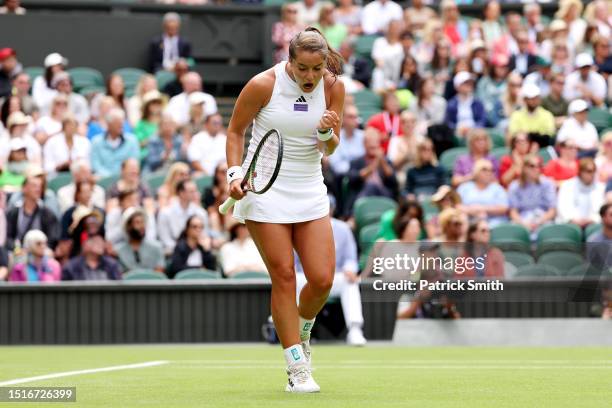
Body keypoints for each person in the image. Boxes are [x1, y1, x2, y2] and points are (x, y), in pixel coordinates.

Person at [226, 28, 344, 392]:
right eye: (304, 68)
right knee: (284, 276)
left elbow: (329, 151)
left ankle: (301, 326)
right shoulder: (263, 85)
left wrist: (326, 133)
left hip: (309, 190)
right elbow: (235, 132)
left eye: (317, 68)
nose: (311, 77)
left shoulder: (333, 87)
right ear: (289, 62)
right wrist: (234, 173)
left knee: (322, 280)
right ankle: (296, 368)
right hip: (265, 191)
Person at [295, 196, 366, 345]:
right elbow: (292, 260)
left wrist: (349, 270)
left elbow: (350, 259)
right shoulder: (300, 227)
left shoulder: (343, 229)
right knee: (293, 280)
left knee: (350, 282)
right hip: (304, 278)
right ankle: (295, 331)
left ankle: (355, 330)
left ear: (332, 209)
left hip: (335, 277)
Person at [508, 155, 557, 234]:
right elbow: (513, 212)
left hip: (544, 219)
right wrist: (524, 224)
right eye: (532, 166)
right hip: (522, 220)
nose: (536, 169)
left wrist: (539, 222)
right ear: (524, 168)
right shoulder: (514, 186)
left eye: (539, 166)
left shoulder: (547, 183)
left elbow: (552, 210)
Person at [158, 179, 208, 255]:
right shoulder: (165, 213)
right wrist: (181, 250)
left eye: (195, 191)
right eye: (192, 191)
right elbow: (165, 239)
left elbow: (204, 235)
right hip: (173, 252)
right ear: (181, 193)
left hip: (197, 251)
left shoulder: (201, 213)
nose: (196, 194)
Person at [457, 159, 509, 227]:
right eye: (484, 170)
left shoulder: (497, 188)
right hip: (469, 222)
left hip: (493, 223)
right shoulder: (464, 187)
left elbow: (503, 208)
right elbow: (456, 205)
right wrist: (471, 211)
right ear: (476, 172)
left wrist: (482, 209)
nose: (488, 173)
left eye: (491, 170)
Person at [90, 109, 140, 177]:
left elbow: (134, 161)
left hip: (126, 177)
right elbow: (95, 164)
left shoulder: (132, 140)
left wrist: (122, 174)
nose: (121, 125)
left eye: (122, 122)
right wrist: (109, 177)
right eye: (117, 122)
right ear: (109, 124)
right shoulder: (96, 142)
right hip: (103, 178)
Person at [114, 207, 165, 273]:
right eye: (137, 222)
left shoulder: (157, 247)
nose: (142, 226)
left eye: (143, 222)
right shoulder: (118, 250)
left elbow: (159, 272)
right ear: (128, 226)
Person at [557, 158, 605, 227]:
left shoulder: (601, 187)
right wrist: (573, 219)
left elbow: (603, 210)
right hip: (570, 224)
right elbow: (562, 208)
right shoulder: (567, 185)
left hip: (594, 224)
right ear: (580, 172)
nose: (592, 174)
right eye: (589, 171)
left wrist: (593, 219)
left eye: (594, 171)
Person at [444, 71, 487, 138]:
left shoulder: (478, 102)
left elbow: (482, 120)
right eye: (465, 83)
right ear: (457, 86)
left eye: (470, 83)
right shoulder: (451, 104)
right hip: (457, 134)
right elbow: (448, 123)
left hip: (475, 133)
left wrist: (473, 129)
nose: (469, 85)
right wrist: (457, 129)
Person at [328, 104, 364, 178]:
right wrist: (354, 169)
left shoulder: (363, 136)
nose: (354, 120)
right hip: (343, 178)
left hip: (362, 177)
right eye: (351, 117)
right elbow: (336, 165)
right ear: (343, 118)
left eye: (356, 117)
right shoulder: (335, 137)